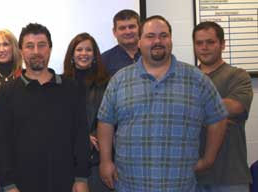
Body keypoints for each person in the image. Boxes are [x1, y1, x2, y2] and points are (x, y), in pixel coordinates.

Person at [97, 15, 228, 191]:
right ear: (139, 42)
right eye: (150, 36)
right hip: (130, 184)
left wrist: (208, 159)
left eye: (163, 35)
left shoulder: (197, 79)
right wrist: (105, 161)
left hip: (180, 184)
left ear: (171, 40)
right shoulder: (120, 79)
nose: (157, 41)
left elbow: (218, 118)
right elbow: (105, 121)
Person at [0, 23, 90, 192]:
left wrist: (81, 178)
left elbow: (80, 136)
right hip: (21, 185)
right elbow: (1, 142)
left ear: (50, 49)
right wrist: (8, 185)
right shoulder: (7, 93)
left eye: (42, 45)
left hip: (66, 183)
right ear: (21, 51)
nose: (36, 51)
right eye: (30, 46)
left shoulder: (71, 89)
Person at [193, 21, 253, 192]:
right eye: (199, 43)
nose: (204, 47)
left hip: (230, 176)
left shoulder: (238, 75)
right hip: (193, 177)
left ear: (222, 44)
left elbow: (235, 107)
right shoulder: (188, 78)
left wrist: (194, 114)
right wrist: (215, 120)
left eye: (210, 42)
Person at [62, 32, 111, 192]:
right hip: (67, 160)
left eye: (88, 50)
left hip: (98, 158)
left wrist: (93, 136)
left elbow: (111, 117)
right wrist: (82, 137)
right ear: (72, 54)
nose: (84, 54)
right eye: (79, 50)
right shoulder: (59, 84)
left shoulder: (107, 83)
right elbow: (56, 119)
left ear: (95, 55)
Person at [101, 9, 141, 76]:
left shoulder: (150, 54)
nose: (128, 32)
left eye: (132, 27)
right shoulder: (104, 60)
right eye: (122, 28)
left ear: (140, 28)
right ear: (114, 32)